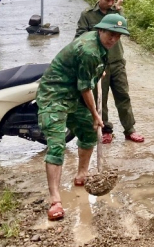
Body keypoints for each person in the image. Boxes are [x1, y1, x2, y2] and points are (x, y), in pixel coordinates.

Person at [37, 14, 130, 221]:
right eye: (110, 34)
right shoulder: (89, 49)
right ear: (101, 30)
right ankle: (55, 200)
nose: (113, 39)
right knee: (57, 145)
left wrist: (98, 73)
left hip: (75, 93)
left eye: (118, 36)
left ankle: (82, 175)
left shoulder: (100, 46)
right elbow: (85, 87)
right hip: (56, 93)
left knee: (88, 132)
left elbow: (89, 76)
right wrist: (97, 115)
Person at [75, 0, 144, 144]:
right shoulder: (88, 15)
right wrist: (100, 33)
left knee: (123, 95)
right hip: (98, 63)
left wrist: (118, 10)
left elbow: (123, 30)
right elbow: (80, 37)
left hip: (117, 61)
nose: (110, 3)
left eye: (112, 0)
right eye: (107, 0)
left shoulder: (116, 12)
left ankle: (130, 129)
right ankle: (106, 129)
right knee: (100, 97)